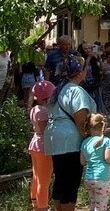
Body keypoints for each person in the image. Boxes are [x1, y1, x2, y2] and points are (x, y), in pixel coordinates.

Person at [44, 54, 97, 211]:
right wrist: (90, 140)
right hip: (69, 141)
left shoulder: (59, 89)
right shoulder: (76, 91)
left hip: (55, 139)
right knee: (70, 183)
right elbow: (81, 120)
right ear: (80, 72)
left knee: (60, 180)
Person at [80, 114, 110, 211]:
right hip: (102, 178)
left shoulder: (85, 142)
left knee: (93, 203)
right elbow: (108, 158)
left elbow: (82, 162)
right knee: (101, 206)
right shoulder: (106, 141)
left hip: (89, 178)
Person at [29, 81, 55, 211]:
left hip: (35, 145)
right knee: (44, 181)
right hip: (44, 148)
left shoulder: (34, 109)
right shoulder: (44, 112)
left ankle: (35, 203)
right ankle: (43, 207)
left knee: (36, 177)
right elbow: (46, 132)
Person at [79, 43, 106, 116]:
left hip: (95, 84)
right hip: (86, 86)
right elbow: (83, 70)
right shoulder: (80, 59)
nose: (88, 50)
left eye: (89, 48)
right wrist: (88, 58)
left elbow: (103, 70)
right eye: (85, 49)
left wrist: (99, 59)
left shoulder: (94, 59)